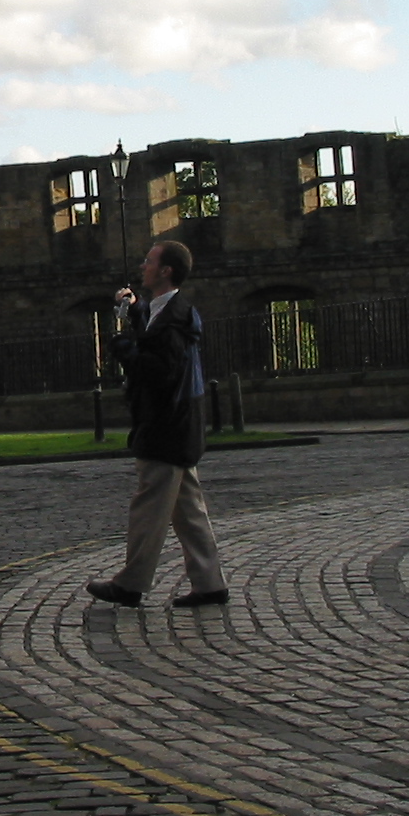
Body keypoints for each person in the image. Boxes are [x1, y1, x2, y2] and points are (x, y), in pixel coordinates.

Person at [86, 238, 229, 610]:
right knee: (188, 509)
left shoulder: (175, 319)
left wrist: (123, 349)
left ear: (166, 270)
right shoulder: (168, 311)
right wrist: (135, 312)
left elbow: (160, 370)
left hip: (167, 426)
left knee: (149, 506)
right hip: (180, 424)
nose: (143, 266)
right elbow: (158, 339)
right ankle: (210, 582)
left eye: (149, 261)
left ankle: (130, 583)